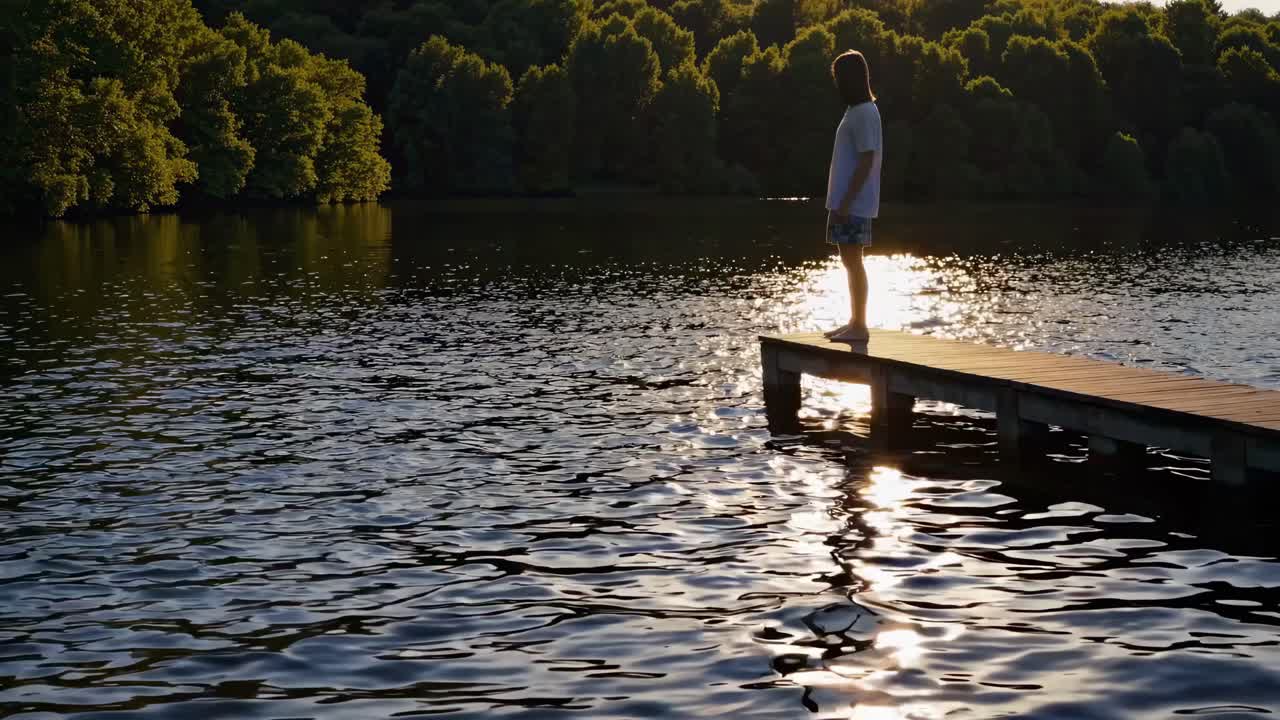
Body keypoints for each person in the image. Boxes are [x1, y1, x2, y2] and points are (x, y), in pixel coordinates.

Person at [823, 50, 883, 343]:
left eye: (838, 77)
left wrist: (846, 202)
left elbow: (867, 159)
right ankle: (854, 321)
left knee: (853, 261)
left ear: (850, 78)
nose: (835, 83)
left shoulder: (863, 112)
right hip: (845, 201)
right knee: (849, 261)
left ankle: (860, 326)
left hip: (853, 203)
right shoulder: (856, 110)